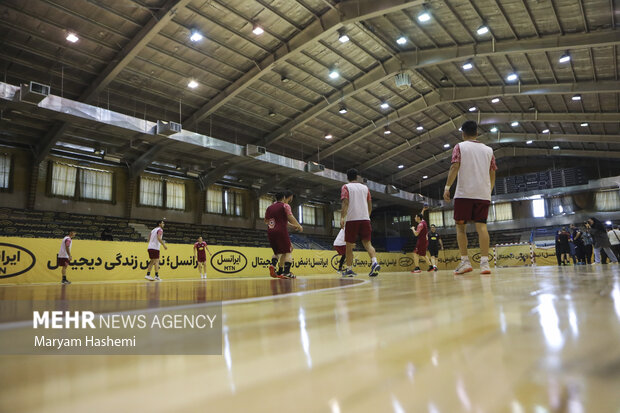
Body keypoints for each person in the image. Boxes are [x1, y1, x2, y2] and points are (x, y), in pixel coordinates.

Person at [443, 120, 497, 275]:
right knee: (482, 227)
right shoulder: (489, 150)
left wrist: (447, 187)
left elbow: (454, 166)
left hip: (464, 194)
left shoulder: (460, 147)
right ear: (477, 133)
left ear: (463, 133)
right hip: (482, 195)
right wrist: (489, 190)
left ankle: (465, 261)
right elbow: (493, 171)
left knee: (460, 227)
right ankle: (485, 264)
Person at [340, 169, 380, 277]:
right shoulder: (365, 188)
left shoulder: (346, 187)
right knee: (368, 244)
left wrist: (342, 217)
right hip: (365, 219)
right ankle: (374, 262)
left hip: (352, 219)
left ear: (347, 177)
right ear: (357, 177)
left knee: (349, 246)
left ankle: (349, 269)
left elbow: (345, 202)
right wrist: (367, 216)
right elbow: (370, 204)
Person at [265, 190, 302, 279]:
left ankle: (273, 265)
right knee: (288, 250)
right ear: (284, 198)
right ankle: (286, 272)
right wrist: (298, 225)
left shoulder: (269, 208)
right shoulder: (285, 206)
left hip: (271, 231)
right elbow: (290, 217)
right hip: (281, 231)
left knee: (277, 251)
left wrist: (292, 226)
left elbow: (267, 221)